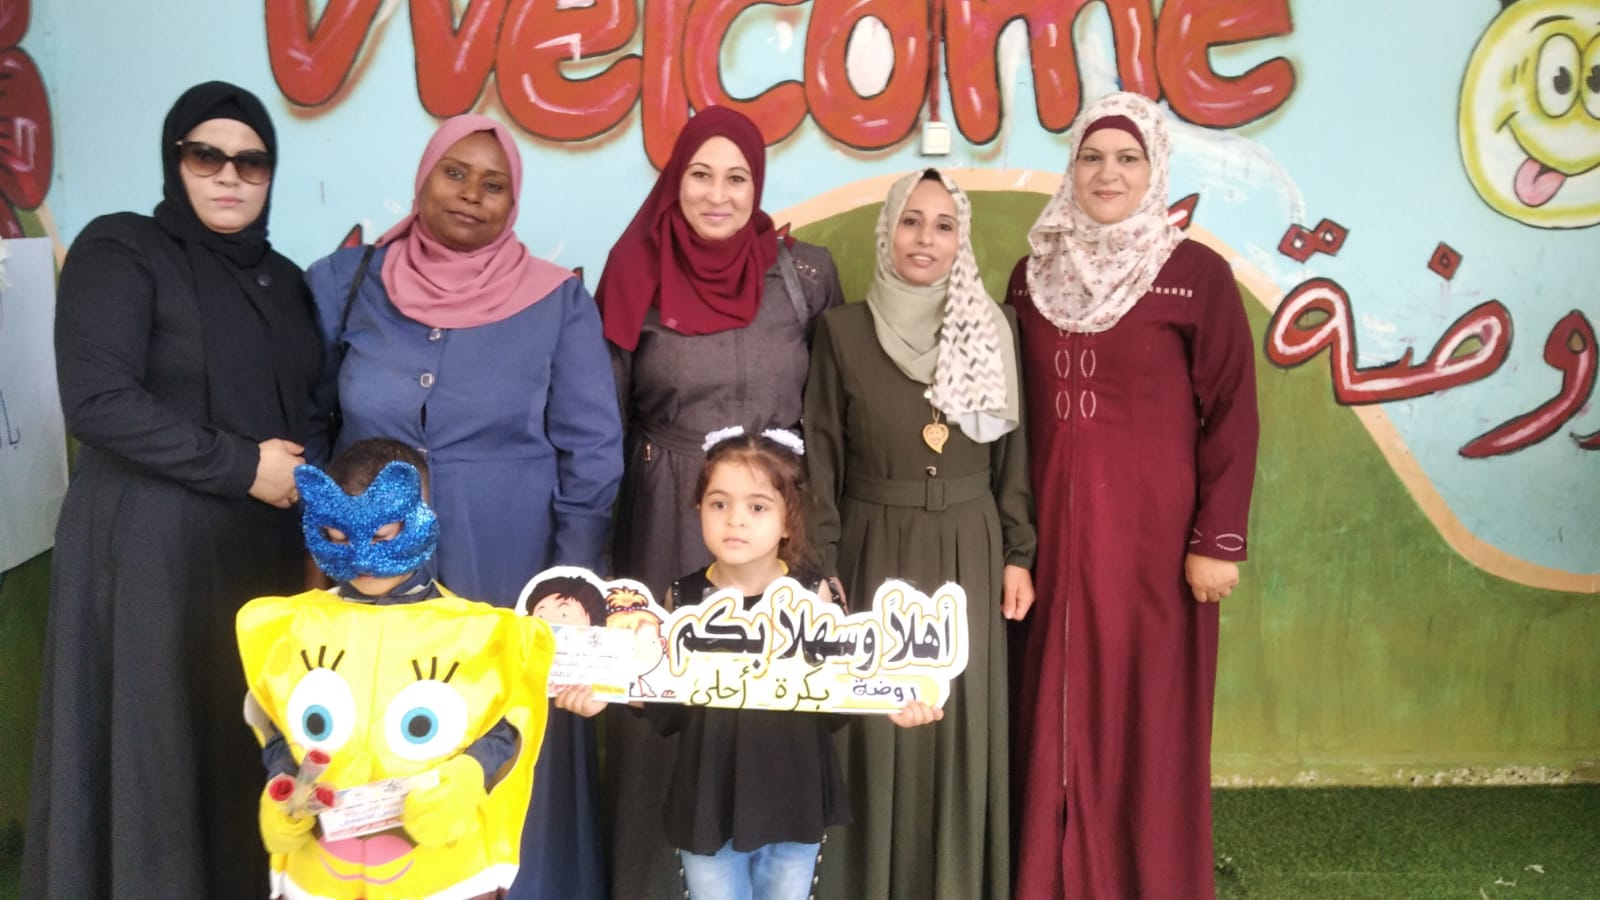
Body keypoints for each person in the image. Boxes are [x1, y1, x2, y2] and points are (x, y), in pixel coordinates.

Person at [303, 115, 622, 900]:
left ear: (514, 201)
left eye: (494, 184)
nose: (472, 195)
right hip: (370, 564)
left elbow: (592, 451)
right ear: (423, 177)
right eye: (455, 173)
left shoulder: (557, 301)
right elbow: (309, 423)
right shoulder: (345, 283)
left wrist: (567, 589)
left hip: (506, 562)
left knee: (501, 739)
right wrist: (318, 547)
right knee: (377, 734)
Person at [23, 80, 320, 898]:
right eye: (206, 155)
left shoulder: (286, 281)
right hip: (146, 558)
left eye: (252, 162)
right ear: (174, 160)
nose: (229, 175)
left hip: (256, 560)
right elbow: (98, 401)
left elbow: (314, 408)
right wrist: (244, 466)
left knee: (243, 740)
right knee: (153, 748)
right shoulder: (123, 249)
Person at [1006, 91, 1259, 899]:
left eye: (1127, 158)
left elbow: (1232, 412)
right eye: (1091, 156)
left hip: (1156, 545)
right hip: (1048, 541)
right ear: (1071, 167)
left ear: (1155, 170)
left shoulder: (1195, 276)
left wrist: (1218, 540)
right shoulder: (1032, 276)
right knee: (1047, 706)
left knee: (1149, 715)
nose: (1107, 173)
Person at [593, 104, 844, 898]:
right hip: (668, 504)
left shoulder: (804, 276)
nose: (718, 193)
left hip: (777, 517)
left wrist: (821, 550)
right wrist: (599, 564)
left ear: (757, 185)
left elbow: (827, 420)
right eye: (700, 174)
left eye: (737, 177)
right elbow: (604, 418)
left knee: (774, 702)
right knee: (664, 693)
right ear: (675, 180)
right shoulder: (633, 271)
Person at [556, 429, 941, 900]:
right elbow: (666, 701)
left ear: (788, 520)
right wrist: (606, 694)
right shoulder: (682, 598)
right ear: (698, 509)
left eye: (757, 507)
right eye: (719, 503)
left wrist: (894, 699)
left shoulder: (815, 595)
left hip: (794, 798)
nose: (735, 519)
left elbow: (838, 697)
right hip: (708, 802)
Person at [804, 169, 1036, 900]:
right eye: (910, 221)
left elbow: (1013, 455)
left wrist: (1018, 553)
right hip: (871, 547)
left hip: (971, 547)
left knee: (958, 720)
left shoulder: (994, 328)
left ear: (961, 237)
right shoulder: (842, 331)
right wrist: (823, 568)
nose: (924, 239)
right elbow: (821, 458)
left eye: (943, 225)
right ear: (887, 232)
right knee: (876, 716)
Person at [241, 438, 553, 899]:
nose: (363, 559)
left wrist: (469, 776)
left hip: (441, 878)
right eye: (338, 540)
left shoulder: (479, 634)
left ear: (422, 517)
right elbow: (275, 720)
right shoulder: (295, 627)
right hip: (321, 876)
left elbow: (510, 721)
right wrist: (283, 782)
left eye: (383, 537)